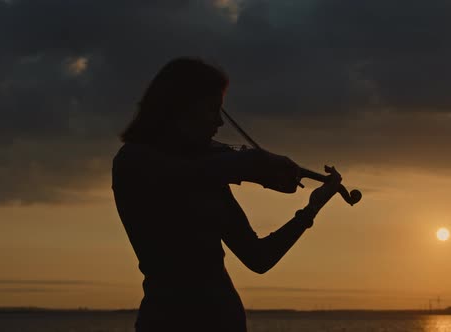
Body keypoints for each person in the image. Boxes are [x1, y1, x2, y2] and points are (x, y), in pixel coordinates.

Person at [111, 57, 342, 332]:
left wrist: (310, 210)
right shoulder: (135, 161)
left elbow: (258, 258)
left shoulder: (211, 174)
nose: (220, 122)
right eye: (212, 110)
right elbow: (191, 175)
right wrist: (255, 162)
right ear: (181, 108)